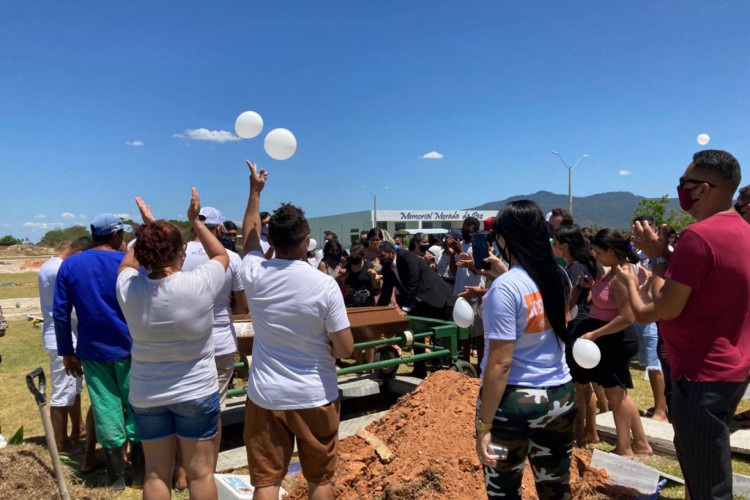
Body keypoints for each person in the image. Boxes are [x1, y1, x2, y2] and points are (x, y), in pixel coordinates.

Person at [619, 150, 750, 499]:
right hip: (731, 370)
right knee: (706, 473)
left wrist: (657, 259)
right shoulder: (743, 231)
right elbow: (709, 285)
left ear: (704, 189)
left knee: (708, 484)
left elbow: (662, 309)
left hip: (700, 375)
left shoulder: (698, 237)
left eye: (684, 183)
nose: (680, 190)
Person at [240, 161, 353, 500]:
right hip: (314, 394)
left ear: (270, 240)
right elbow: (345, 349)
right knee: (320, 479)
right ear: (307, 241)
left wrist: (254, 193)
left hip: (265, 395)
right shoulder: (325, 285)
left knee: (266, 481)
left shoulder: (255, 273)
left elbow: (248, 238)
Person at [116, 189, 227, 500]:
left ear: (144, 253)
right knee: (200, 474)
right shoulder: (199, 283)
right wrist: (196, 221)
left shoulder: (128, 289)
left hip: (147, 393)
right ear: (181, 252)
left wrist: (147, 231)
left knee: (155, 474)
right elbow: (221, 255)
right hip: (196, 391)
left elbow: (128, 264)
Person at [475, 200, 576, 498]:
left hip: (515, 402)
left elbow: (500, 364)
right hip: (561, 394)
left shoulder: (505, 288)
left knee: (503, 490)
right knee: (556, 487)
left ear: (504, 238)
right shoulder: (559, 277)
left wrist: (484, 425)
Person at [53, 213, 141, 490]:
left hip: (93, 350)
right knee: (137, 407)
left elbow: (60, 312)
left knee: (105, 408)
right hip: (131, 348)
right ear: (116, 235)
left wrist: (67, 351)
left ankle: (115, 478)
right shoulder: (128, 262)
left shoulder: (71, 265)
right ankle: (140, 473)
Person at [181, 204, 249, 481]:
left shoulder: (180, 252)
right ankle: (210, 467)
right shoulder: (232, 257)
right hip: (220, 338)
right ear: (219, 228)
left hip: (185, 338)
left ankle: (183, 471)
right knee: (214, 408)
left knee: (184, 404)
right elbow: (241, 304)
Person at [575, 229, 651, 459]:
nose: (596, 256)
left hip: (615, 339)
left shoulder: (622, 276)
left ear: (611, 251)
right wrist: (591, 287)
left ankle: (624, 448)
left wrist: (595, 334)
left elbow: (627, 316)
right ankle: (641, 443)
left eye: (599, 252)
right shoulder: (613, 272)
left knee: (616, 397)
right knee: (621, 394)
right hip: (607, 338)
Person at [38, 237, 93, 455]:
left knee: (73, 389)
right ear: (79, 253)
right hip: (64, 338)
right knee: (62, 393)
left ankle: (76, 430)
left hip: (65, 336)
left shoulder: (50, 265)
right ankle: (61, 444)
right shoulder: (60, 268)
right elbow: (70, 307)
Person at [552, 224, 604, 445]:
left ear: (564, 246)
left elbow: (579, 298)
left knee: (580, 385)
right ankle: (588, 431)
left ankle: (582, 433)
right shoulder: (584, 265)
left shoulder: (575, 268)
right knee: (584, 384)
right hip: (582, 324)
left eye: (556, 243)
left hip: (577, 326)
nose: (553, 246)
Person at [343, 242, 379, 307]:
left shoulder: (370, 267)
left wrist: (373, 277)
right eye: (352, 255)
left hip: (367, 304)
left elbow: (376, 288)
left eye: (357, 256)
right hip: (350, 304)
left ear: (362, 256)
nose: (354, 258)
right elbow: (341, 285)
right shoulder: (346, 267)